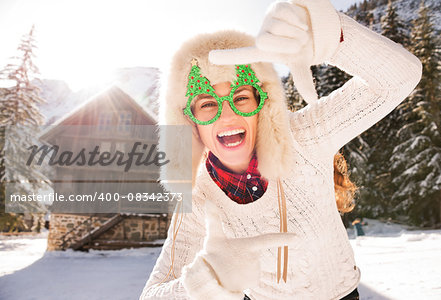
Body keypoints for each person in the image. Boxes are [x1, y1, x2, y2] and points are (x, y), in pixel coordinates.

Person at [140, 0, 422, 299]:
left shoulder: (305, 136)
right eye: (208, 104)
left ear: (263, 104)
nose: (227, 115)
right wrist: (205, 283)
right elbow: (153, 294)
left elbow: (400, 77)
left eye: (241, 97)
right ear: (189, 123)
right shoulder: (198, 195)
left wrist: (330, 36)